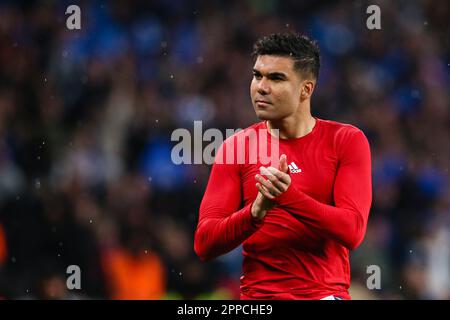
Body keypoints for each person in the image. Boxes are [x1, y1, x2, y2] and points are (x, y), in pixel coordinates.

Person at [194, 32, 372, 300]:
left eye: (276, 78)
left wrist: (288, 197)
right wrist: (255, 212)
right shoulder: (236, 148)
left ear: (306, 89)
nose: (261, 87)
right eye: (257, 76)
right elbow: (204, 243)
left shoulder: (346, 141)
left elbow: (353, 230)